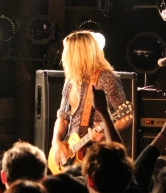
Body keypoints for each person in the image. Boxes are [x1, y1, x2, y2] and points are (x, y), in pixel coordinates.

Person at [51, 30, 132, 171]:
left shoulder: (106, 79)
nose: (63, 57)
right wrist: (56, 141)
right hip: (72, 153)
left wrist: (105, 134)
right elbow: (63, 117)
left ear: (78, 55)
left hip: (98, 156)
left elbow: (126, 115)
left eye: (67, 53)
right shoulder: (70, 80)